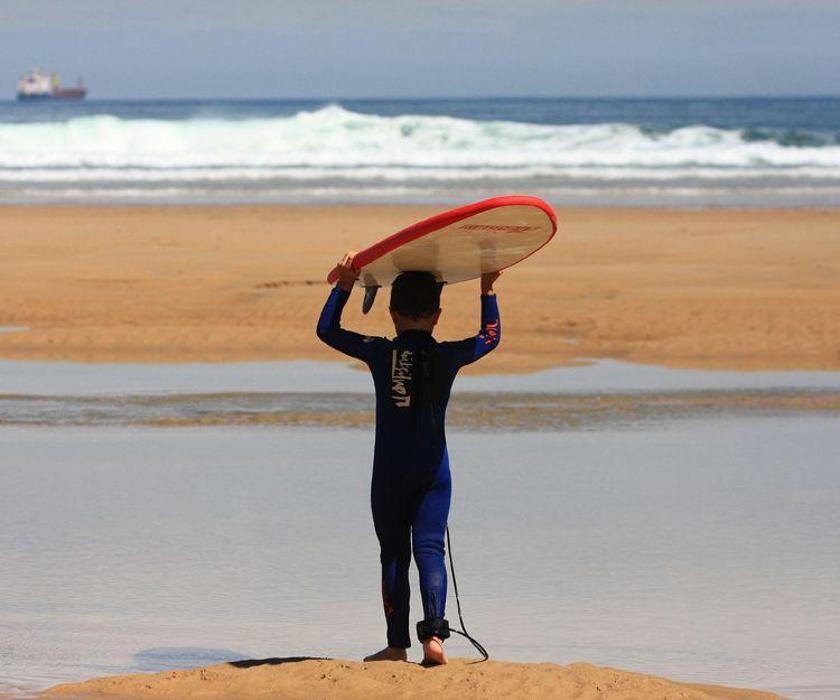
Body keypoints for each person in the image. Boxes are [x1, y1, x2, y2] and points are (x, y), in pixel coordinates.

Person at [316, 253, 501, 666]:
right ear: (437, 315)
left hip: (390, 473)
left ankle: (397, 645)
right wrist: (487, 289)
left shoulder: (380, 354)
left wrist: (345, 284)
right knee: (430, 550)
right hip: (435, 471)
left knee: (394, 554)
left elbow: (327, 330)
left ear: (391, 312)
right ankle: (435, 638)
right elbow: (489, 337)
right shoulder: (449, 356)